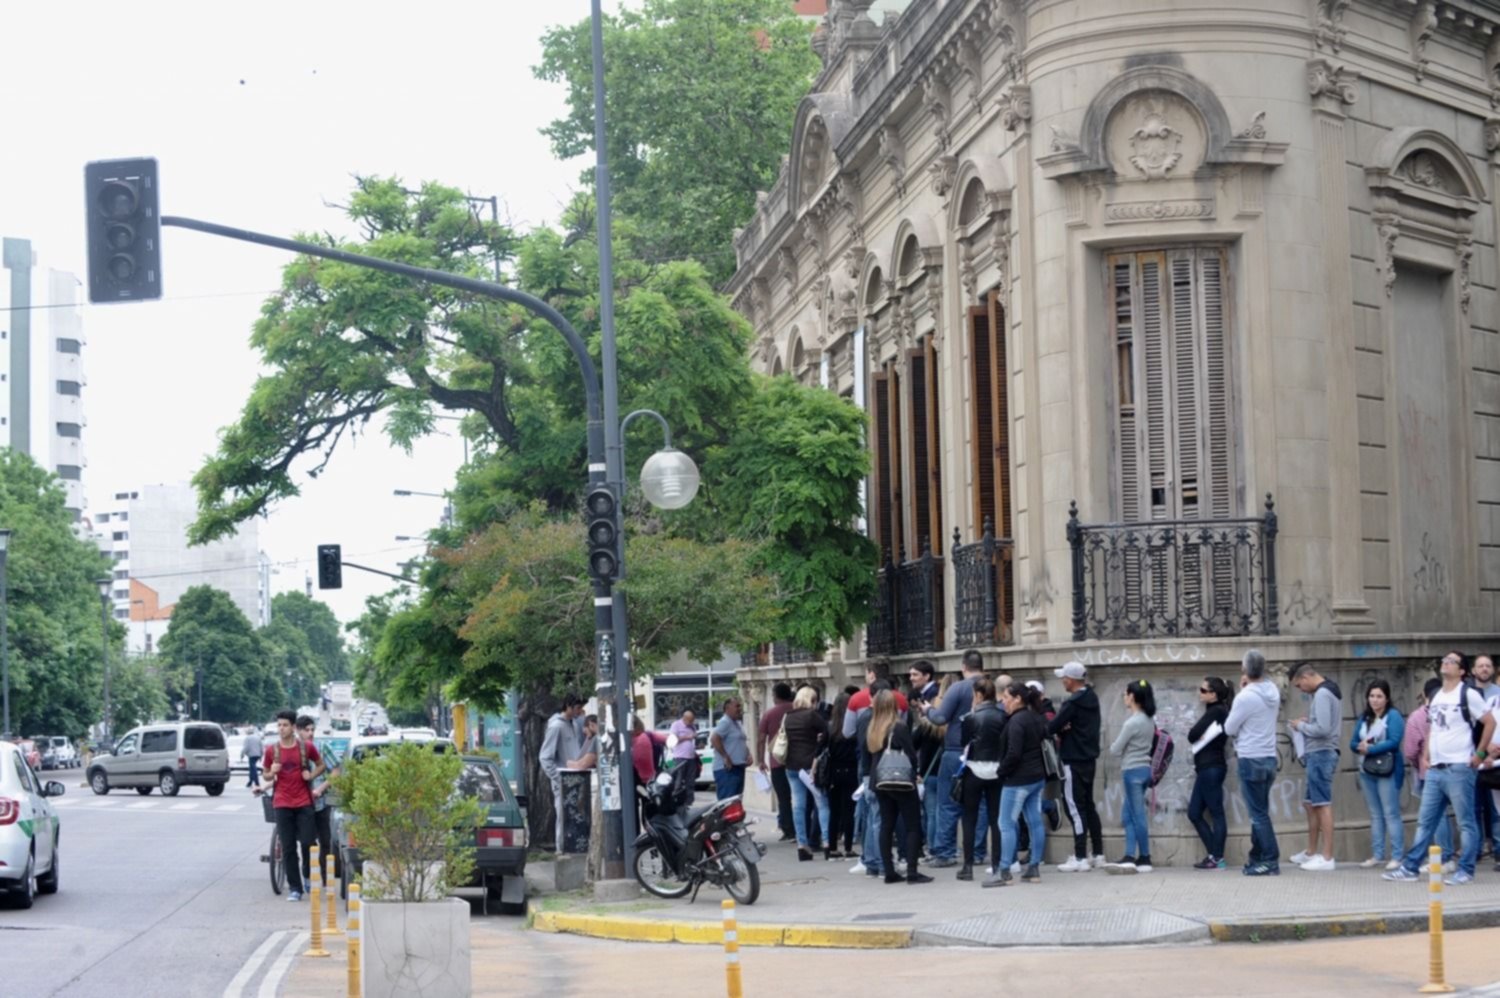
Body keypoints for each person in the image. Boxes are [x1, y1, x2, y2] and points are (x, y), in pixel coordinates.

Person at [1386, 652, 1496, 885]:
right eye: (1444, 661)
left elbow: (1490, 722)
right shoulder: (1436, 697)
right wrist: (1426, 754)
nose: (1445, 664)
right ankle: (1411, 867)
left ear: (1462, 670)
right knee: (1426, 820)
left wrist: (1479, 754)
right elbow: (1433, 728)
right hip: (1436, 768)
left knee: (1465, 822)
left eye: (1451, 662)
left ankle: (1465, 869)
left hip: (1459, 766)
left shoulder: (1469, 694)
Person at [918, 649, 986, 868]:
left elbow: (940, 718)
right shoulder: (990, 686)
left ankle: (945, 852)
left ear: (964, 666)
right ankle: (976, 852)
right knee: (981, 804)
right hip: (984, 752)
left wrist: (928, 710)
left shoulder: (958, 688)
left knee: (948, 803)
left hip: (956, 751)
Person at [256, 709, 324, 902]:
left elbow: (321, 765)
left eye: (285, 725)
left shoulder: (306, 748)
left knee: (307, 842)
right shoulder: (272, 750)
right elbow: (266, 774)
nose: (281, 728)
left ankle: (307, 876)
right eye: (279, 725)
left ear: (293, 727)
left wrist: (310, 776)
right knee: (287, 847)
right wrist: (272, 772)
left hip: (303, 801)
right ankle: (295, 887)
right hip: (282, 802)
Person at [1225, 649, 1282, 876]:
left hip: (1250, 759)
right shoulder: (1273, 690)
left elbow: (1229, 728)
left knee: (1257, 815)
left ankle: (1269, 860)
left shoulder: (1245, 697)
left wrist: (1242, 690)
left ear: (1245, 670)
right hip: (1268, 757)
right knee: (1261, 812)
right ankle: (1257, 856)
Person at [867, 689, 932, 885]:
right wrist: (916, 773)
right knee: (912, 825)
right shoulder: (898, 727)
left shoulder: (873, 727)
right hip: (900, 780)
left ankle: (888, 870)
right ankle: (912, 871)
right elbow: (911, 755)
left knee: (886, 825)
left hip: (879, 780)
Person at [991, 682, 1048, 887]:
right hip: (1036, 777)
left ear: (1017, 699)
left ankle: (1004, 870)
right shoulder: (1035, 717)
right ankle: (1033, 868)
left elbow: (1014, 753)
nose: (1002, 701)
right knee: (1034, 821)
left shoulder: (1016, 722)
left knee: (1005, 823)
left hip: (1018, 780)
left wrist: (1000, 771)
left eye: (1006, 697)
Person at [1049, 661, 1104, 871]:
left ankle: (1080, 856)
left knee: (1074, 807)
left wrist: (1062, 730)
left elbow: (1052, 727)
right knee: (1088, 806)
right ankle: (1098, 853)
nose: (1062, 681)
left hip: (1072, 760)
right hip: (1089, 760)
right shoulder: (1092, 698)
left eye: (1064, 677)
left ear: (1070, 680)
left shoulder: (1072, 703)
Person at [1288, 662, 1343, 871]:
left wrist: (1300, 725)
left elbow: (1322, 729)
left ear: (1305, 678)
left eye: (1298, 685)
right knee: (1311, 803)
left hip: (1321, 752)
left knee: (1321, 803)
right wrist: (1308, 721)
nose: (1300, 690)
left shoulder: (1322, 694)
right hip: (1320, 752)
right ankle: (1311, 852)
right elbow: (1322, 724)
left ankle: (1327, 857)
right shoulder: (1329, 690)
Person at [1402, 677, 1457, 870]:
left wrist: (1418, 762)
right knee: (1454, 816)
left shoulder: (1417, 717)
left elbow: (1409, 750)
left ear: (1424, 694)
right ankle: (1448, 856)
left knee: (1433, 817)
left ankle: (1443, 857)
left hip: (1428, 772)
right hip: (1452, 768)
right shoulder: (1450, 711)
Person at [1351, 679, 1405, 869]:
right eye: (1372, 696)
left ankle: (1397, 856)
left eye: (1379, 696)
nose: (1375, 700)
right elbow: (1352, 741)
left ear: (1387, 698)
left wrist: (1371, 749)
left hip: (1388, 770)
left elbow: (1394, 741)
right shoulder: (1365, 718)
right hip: (1366, 769)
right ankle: (1378, 854)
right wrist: (1360, 747)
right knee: (1375, 814)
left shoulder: (1393, 716)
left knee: (1391, 813)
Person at [1106, 679, 1157, 875]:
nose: (1124, 698)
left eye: (1126, 694)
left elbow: (1115, 749)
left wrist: (1115, 746)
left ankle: (1144, 857)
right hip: (1144, 769)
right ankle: (1129, 855)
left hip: (1132, 771)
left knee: (1137, 816)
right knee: (1127, 815)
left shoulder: (1132, 722)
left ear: (1133, 697)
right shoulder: (1149, 720)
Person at [958, 676, 1005, 882]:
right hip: (997, 769)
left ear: (977, 695)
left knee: (969, 818)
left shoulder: (970, 717)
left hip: (974, 768)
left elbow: (964, 743)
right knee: (996, 820)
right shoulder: (1003, 716)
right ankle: (996, 865)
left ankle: (967, 866)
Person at [1187, 677, 1233, 870]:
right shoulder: (1217, 711)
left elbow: (1192, 734)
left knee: (1216, 813)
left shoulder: (1217, 711)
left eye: (1203, 690)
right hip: (1207, 768)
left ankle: (1217, 857)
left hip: (1211, 768)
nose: (1200, 693)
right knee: (1194, 812)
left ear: (1213, 694)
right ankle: (1214, 854)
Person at [783, 686, 832, 861]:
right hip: (810, 767)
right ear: (811, 700)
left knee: (798, 806)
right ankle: (827, 843)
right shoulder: (812, 716)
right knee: (822, 803)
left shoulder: (788, 717)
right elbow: (827, 734)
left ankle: (802, 846)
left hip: (791, 766)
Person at [539, 693, 586, 852]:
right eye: (578, 708)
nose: (580, 712)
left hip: (576, 779)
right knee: (564, 818)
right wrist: (558, 777)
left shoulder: (573, 724)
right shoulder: (556, 726)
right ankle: (562, 850)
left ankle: (575, 848)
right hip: (564, 780)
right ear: (568, 706)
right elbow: (545, 757)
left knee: (576, 817)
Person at [295, 715, 335, 890]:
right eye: (306, 730)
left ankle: (326, 879)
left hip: (320, 803)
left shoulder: (322, 747)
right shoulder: (291, 749)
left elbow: (336, 770)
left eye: (312, 730)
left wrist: (321, 789)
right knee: (307, 842)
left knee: (325, 841)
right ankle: (308, 878)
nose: (310, 733)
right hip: (301, 804)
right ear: (298, 730)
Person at [757, 683, 797, 842]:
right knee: (801, 797)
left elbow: (761, 739)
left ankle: (788, 830)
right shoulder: (796, 709)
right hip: (797, 760)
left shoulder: (769, 714)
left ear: (775, 696)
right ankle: (804, 828)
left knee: (784, 798)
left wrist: (761, 760)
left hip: (777, 761)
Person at [1471, 654, 1500, 860]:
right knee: (1472, 808)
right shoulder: (1466, 694)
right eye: (1480, 666)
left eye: (1487, 666)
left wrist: (1494, 750)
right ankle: (1476, 848)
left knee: (1496, 809)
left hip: (1495, 758)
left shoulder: (1497, 695)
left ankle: (1498, 849)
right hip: (1472, 758)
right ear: (1473, 670)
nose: (1484, 669)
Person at [825, 692, 860, 859]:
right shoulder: (853, 728)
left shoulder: (829, 727)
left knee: (834, 811)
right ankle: (847, 847)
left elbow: (821, 750)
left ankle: (832, 847)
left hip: (834, 772)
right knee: (849, 811)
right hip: (851, 771)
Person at [710, 698, 751, 800]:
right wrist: (725, 756)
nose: (739, 709)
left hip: (738, 768)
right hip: (727, 770)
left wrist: (748, 754)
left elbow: (739, 742)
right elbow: (714, 738)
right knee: (728, 803)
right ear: (727, 708)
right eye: (737, 706)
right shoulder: (725, 722)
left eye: (739, 706)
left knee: (736, 803)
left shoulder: (736, 724)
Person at [668, 709, 700, 783]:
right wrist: (688, 737)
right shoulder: (676, 725)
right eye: (690, 720)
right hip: (680, 757)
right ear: (684, 718)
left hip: (691, 757)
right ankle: (677, 793)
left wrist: (697, 746)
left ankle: (690, 794)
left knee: (690, 780)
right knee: (679, 779)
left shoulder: (692, 726)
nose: (691, 722)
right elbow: (673, 739)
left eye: (692, 720)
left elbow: (691, 741)